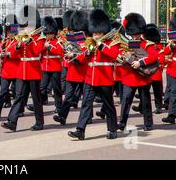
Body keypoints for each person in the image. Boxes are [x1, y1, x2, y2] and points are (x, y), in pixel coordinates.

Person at [68, 9, 120, 140]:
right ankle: (80, 130)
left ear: (104, 31)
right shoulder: (89, 42)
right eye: (95, 32)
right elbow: (81, 59)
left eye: (98, 32)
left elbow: (114, 55)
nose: (96, 35)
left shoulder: (112, 42)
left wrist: (101, 45)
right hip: (90, 78)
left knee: (108, 105)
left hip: (105, 78)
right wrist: (83, 54)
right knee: (86, 104)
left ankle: (112, 129)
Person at [1, 5, 45, 132]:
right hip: (22, 70)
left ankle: (39, 122)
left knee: (36, 98)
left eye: (29, 26)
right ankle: (12, 121)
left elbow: (37, 52)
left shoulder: (39, 38)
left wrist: (30, 41)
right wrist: (18, 46)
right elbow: (13, 53)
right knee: (18, 96)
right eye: (25, 26)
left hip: (33, 70)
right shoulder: (20, 37)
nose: (26, 28)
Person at [117, 13, 158, 132]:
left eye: (137, 34)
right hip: (129, 76)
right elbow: (119, 56)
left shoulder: (147, 44)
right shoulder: (125, 44)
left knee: (145, 102)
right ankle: (122, 123)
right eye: (134, 35)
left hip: (142, 77)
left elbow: (154, 56)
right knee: (125, 101)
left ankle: (148, 123)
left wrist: (140, 63)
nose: (135, 37)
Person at [54, 10, 89, 125]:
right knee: (68, 96)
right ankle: (62, 116)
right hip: (72, 71)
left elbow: (84, 57)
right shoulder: (70, 38)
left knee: (86, 97)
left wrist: (74, 54)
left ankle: (88, 116)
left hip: (83, 71)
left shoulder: (87, 41)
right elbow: (63, 53)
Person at [0, 14, 19, 118]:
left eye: (10, 31)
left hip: (15, 69)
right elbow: (2, 50)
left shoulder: (18, 41)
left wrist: (8, 54)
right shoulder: (6, 41)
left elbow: (18, 53)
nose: (9, 33)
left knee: (17, 93)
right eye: (7, 31)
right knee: (3, 91)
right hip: (6, 70)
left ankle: (20, 110)